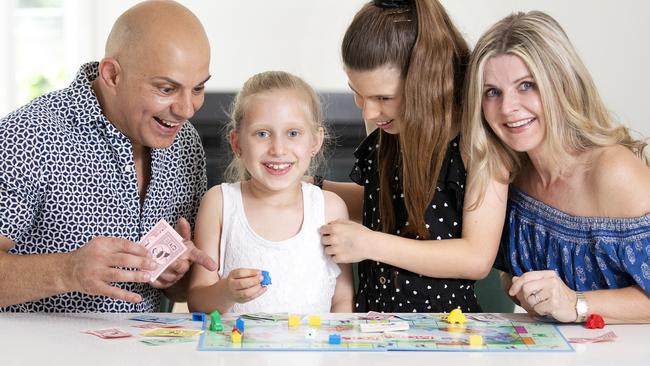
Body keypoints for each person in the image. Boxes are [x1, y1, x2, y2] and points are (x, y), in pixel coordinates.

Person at [0, 0, 217, 312]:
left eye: (197, 88)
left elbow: (181, 291)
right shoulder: (28, 135)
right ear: (112, 75)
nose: (186, 109)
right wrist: (66, 271)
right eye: (167, 89)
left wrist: (176, 272)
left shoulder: (185, 143)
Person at [316, 0, 508, 313]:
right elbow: (385, 202)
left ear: (427, 83)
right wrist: (311, 189)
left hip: (445, 330)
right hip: (374, 321)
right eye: (357, 92)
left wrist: (370, 244)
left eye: (384, 97)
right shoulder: (388, 122)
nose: (367, 110)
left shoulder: (477, 140)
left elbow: (476, 258)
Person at [463, 11, 650, 323]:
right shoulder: (510, 172)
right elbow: (511, 279)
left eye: (526, 85)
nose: (508, 108)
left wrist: (576, 303)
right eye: (492, 92)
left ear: (560, 83)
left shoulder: (614, 172)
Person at [188, 71, 354, 314]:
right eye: (262, 134)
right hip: (233, 352)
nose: (278, 149)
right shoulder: (219, 203)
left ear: (315, 142)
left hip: (315, 352)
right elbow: (197, 303)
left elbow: (342, 300)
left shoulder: (330, 208)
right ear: (237, 143)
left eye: (293, 133)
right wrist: (225, 293)